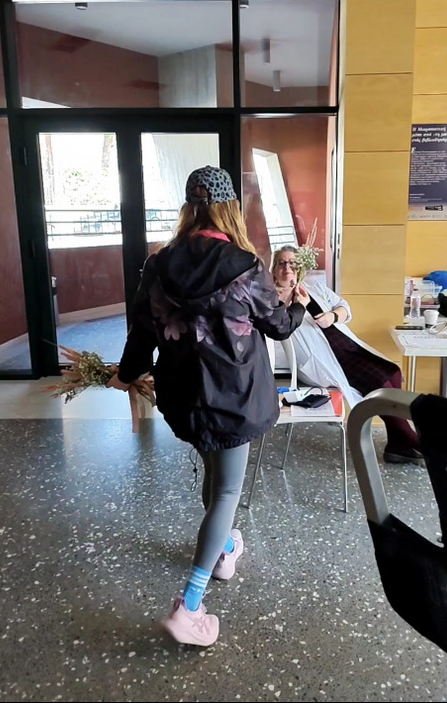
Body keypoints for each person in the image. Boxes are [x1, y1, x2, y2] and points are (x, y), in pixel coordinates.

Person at [107, 167, 308, 647]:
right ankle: (191, 605)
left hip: (185, 398)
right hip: (236, 399)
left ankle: (222, 550)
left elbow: (141, 332)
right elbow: (278, 326)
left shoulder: (158, 264)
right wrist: (298, 305)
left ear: (188, 207)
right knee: (227, 492)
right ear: (228, 208)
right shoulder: (245, 265)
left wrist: (126, 374)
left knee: (216, 478)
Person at [271, 246, 423, 466]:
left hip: (347, 347)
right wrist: (294, 305)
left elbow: (344, 307)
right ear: (274, 270)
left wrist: (332, 317)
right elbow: (278, 330)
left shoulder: (312, 287)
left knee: (393, 372)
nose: (287, 267)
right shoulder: (272, 300)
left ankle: (398, 445)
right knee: (379, 383)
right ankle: (419, 444)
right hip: (323, 361)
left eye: (292, 263)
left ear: (300, 267)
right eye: (281, 263)